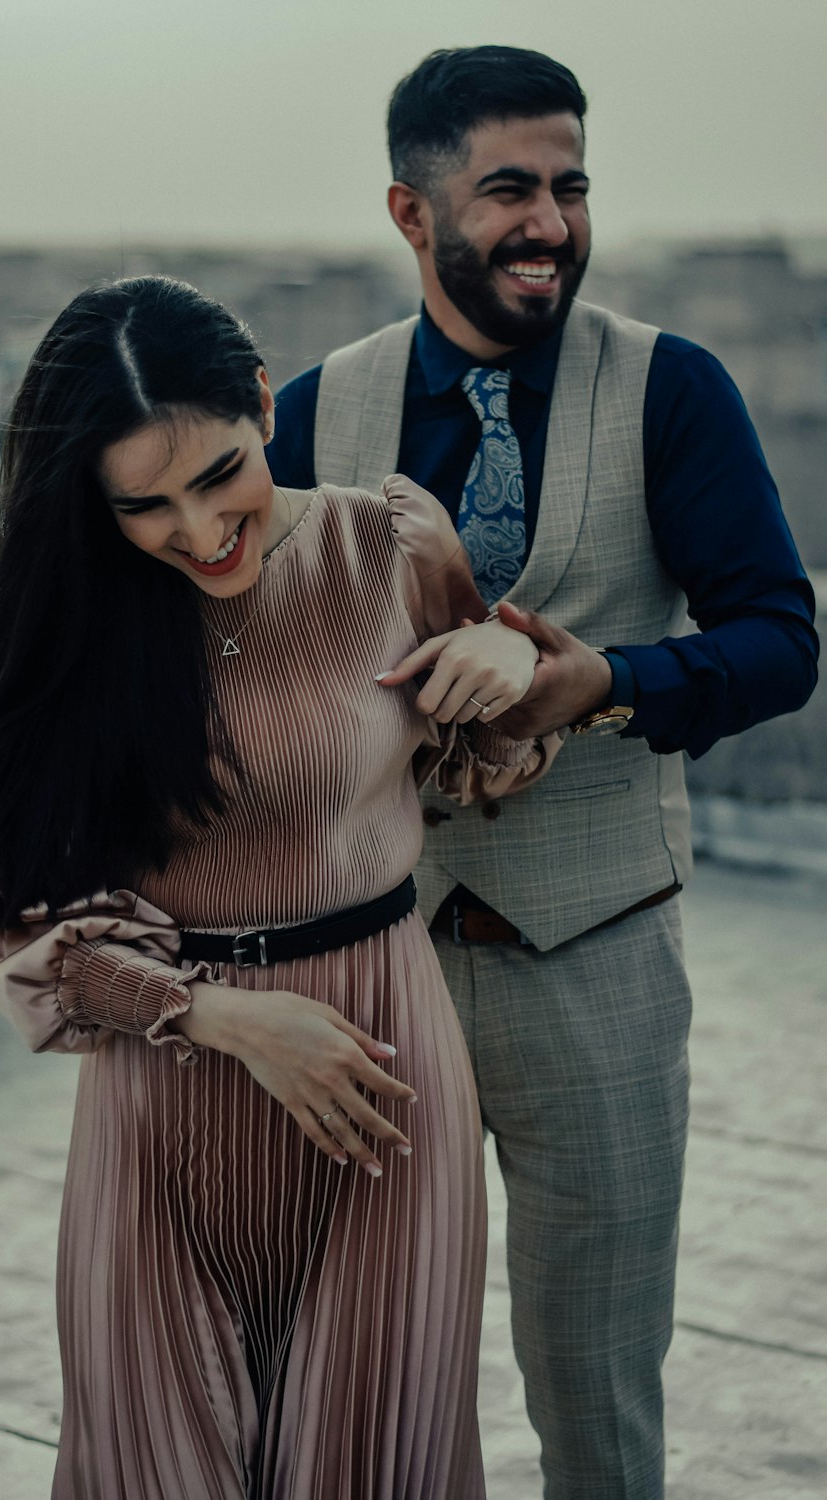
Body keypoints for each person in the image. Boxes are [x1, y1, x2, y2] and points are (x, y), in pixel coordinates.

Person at [0, 274, 562, 1499]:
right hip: (164, 1092)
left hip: (378, 1077)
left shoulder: (391, 546)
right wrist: (214, 1014)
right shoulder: (81, 618)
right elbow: (15, 936)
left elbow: (491, 758)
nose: (200, 531)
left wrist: (505, 648)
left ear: (264, 404)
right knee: (153, 1459)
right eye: (143, 505)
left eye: (218, 475)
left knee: (375, 1460)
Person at [267, 45, 819, 1500]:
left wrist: (606, 685)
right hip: (371, 976)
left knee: (598, 1395)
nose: (552, 222)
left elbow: (780, 640)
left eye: (571, 185)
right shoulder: (316, 412)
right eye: (508, 187)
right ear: (410, 210)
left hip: (601, 964)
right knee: (371, 1379)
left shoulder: (673, 390)